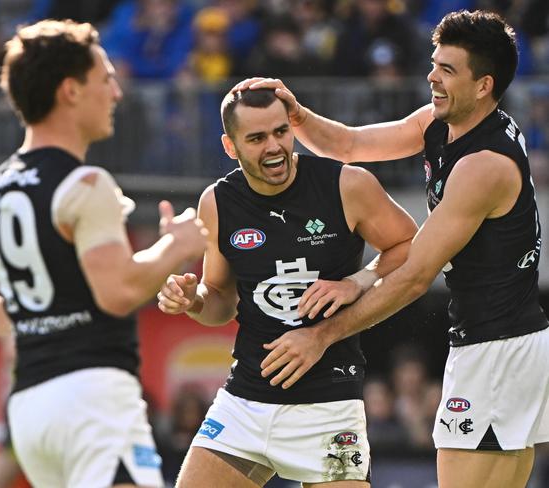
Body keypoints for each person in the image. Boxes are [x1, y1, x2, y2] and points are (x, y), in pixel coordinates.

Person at [235, 9, 549, 488]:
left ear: (483, 85)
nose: (431, 76)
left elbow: (414, 276)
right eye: (434, 63)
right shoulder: (440, 123)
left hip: (498, 352)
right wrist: (299, 118)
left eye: (447, 70)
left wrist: (322, 335)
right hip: (502, 344)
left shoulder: (483, 166)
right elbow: (349, 145)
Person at [0, 19, 207, 488]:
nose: (116, 93)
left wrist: (30, 325)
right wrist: (177, 244)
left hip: (31, 410)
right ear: (71, 91)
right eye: (105, 79)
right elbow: (117, 292)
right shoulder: (86, 185)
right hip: (93, 399)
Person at [157, 87, 418, 487]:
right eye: (257, 139)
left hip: (329, 403)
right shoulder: (218, 201)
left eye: (281, 132)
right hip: (245, 400)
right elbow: (220, 301)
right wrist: (194, 300)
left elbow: (409, 247)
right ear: (231, 146)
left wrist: (358, 280)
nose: (274, 147)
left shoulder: (346, 184)